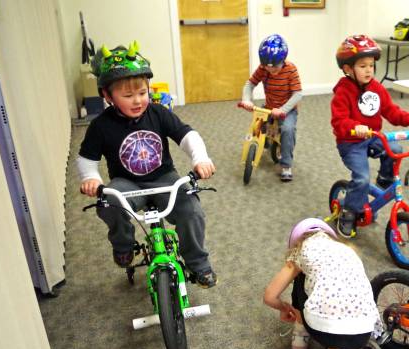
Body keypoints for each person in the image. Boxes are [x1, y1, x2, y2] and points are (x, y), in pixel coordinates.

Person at [77, 41, 217, 287]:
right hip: (127, 182)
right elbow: (87, 159)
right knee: (109, 203)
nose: (138, 100)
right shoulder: (101, 125)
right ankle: (123, 245)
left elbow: (187, 136)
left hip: (165, 179)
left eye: (142, 92)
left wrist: (201, 158)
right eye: (128, 95)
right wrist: (91, 178)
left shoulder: (157, 112)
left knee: (192, 211)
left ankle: (197, 263)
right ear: (107, 96)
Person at [263, 218, 379, 349]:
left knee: (302, 280)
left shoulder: (301, 251)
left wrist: (284, 307)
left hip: (321, 328)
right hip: (364, 330)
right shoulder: (347, 251)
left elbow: (269, 296)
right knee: (343, 287)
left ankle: (300, 335)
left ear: (296, 241)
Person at [331, 34, 409, 238]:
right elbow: (339, 122)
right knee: (362, 179)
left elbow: (391, 110)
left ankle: (384, 179)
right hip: (351, 143)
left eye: (371, 65)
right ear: (348, 69)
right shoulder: (343, 92)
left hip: (373, 137)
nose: (368, 70)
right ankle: (348, 212)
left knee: (396, 150)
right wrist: (355, 127)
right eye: (362, 66)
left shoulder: (377, 88)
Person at [240, 34, 302, 182]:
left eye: (275, 66)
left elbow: (297, 94)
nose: (271, 69)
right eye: (267, 66)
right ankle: (262, 143)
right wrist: (246, 99)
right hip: (269, 107)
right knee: (258, 126)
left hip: (287, 109)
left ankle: (286, 165)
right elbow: (250, 84)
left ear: (283, 60)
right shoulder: (264, 68)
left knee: (287, 130)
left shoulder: (291, 69)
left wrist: (283, 110)